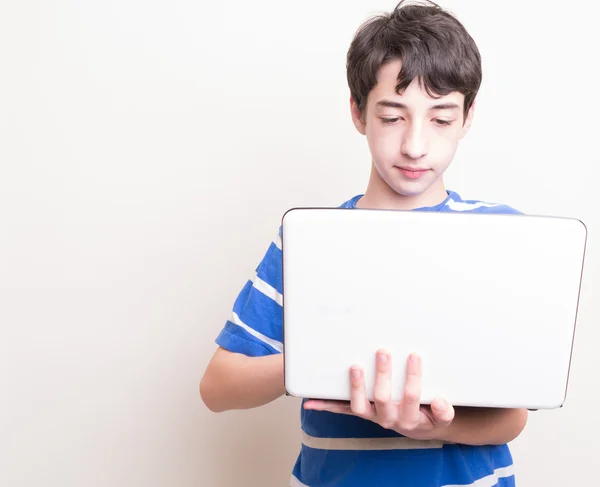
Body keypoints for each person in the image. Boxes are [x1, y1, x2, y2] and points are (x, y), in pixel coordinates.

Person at [200, 1, 528, 485]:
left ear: (467, 116)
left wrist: (425, 427)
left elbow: (513, 417)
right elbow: (218, 388)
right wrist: (321, 356)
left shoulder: (499, 237)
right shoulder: (309, 241)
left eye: (440, 118)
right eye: (393, 116)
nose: (416, 146)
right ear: (358, 112)